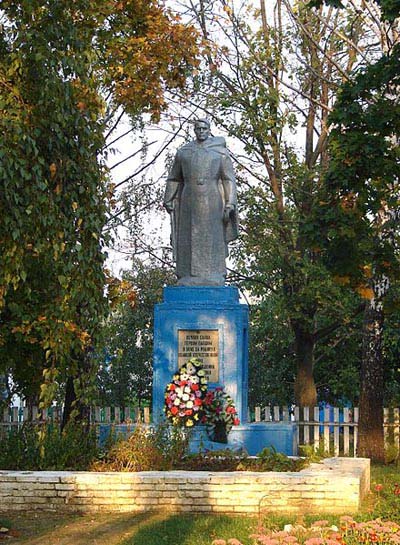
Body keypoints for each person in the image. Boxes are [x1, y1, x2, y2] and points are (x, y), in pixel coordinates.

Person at [164, 119, 238, 286]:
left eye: (204, 128)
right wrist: (168, 198)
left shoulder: (220, 153)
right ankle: (187, 275)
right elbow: (174, 178)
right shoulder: (184, 152)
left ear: (209, 130)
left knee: (213, 235)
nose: (201, 131)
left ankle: (215, 273)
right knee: (188, 234)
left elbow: (228, 180)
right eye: (198, 128)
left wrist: (230, 203)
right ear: (194, 130)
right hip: (188, 198)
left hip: (213, 199)